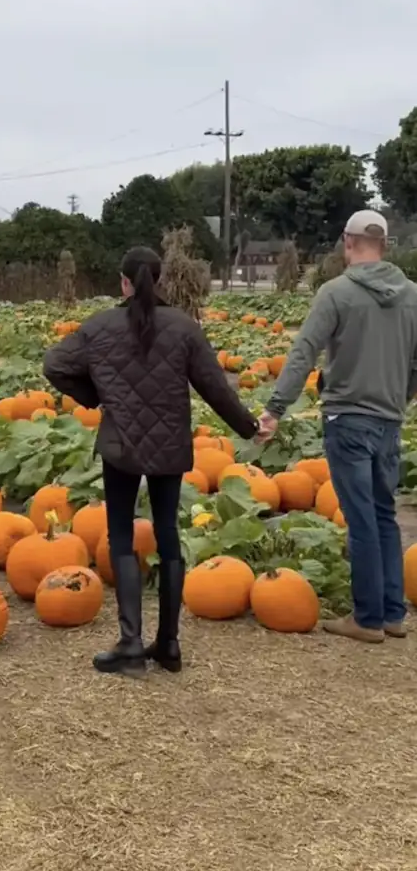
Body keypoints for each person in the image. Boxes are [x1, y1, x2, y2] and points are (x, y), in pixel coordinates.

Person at [43, 246, 259, 677]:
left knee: (121, 536)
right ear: (157, 280)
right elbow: (215, 387)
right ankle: (169, 644)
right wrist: (249, 427)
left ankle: (130, 643)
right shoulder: (183, 327)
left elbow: (55, 365)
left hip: (121, 444)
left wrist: (97, 395)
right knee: (168, 534)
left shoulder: (101, 326)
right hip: (169, 444)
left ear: (123, 281)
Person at [258, 210, 417, 643]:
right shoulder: (412, 296)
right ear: (385, 244)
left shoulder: (337, 292)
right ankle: (392, 613)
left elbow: (304, 351)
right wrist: (401, 396)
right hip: (389, 420)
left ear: (347, 242)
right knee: (384, 514)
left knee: (361, 518)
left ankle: (367, 618)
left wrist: (276, 408)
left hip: (347, 419)